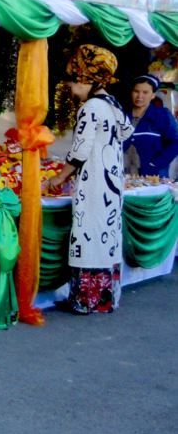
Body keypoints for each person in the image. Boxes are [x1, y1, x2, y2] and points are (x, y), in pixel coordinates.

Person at [45, 45, 133, 315]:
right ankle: (104, 298)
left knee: (88, 234)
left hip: (94, 185)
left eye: (73, 79)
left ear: (86, 79)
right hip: (112, 184)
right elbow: (127, 130)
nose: (70, 86)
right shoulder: (113, 104)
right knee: (105, 237)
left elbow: (80, 150)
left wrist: (58, 178)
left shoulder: (90, 108)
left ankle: (85, 299)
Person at [123, 74, 178, 178]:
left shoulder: (162, 115)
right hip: (124, 175)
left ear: (153, 95)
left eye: (145, 92)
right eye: (136, 91)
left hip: (153, 176)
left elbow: (175, 142)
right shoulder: (122, 116)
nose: (140, 96)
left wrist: (156, 163)